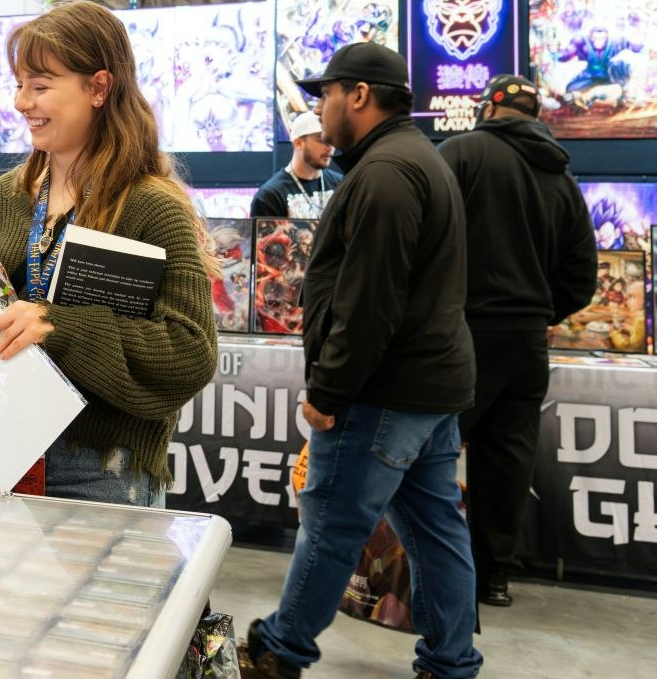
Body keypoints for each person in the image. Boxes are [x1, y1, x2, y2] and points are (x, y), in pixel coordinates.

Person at [239, 43, 481, 679]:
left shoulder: (383, 175)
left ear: (360, 95)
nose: (320, 111)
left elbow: (369, 301)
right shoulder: (413, 161)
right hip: (428, 387)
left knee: (333, 524)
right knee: (435, 530)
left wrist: (329, 390)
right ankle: (451, 659)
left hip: (381, 391)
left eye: (327, 96)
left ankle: (280, 649)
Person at [0, 0, 219, 505]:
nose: (20, 103)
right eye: (19, 85)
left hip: (101, 468)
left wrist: (56, 328)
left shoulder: (151, 208)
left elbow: (191, 352)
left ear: (99, 87)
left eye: (40, 86)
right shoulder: (3, 199)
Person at [439, 73, 597, 608]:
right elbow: (582, 277)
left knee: (424, 448)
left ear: (488, 109)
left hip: (461, 334)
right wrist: (540, 310)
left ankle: (416, 568)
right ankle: (493, 579)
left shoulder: (459, 153)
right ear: (535, 116)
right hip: (528, 342)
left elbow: (423, 233)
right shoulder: (561, 177)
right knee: (506, 461)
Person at [250, 111, 342, 219]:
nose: (330, 147)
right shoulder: (270, 196)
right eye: (322, 140)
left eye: (332, 140)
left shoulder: (341, 184)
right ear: (298, 143)